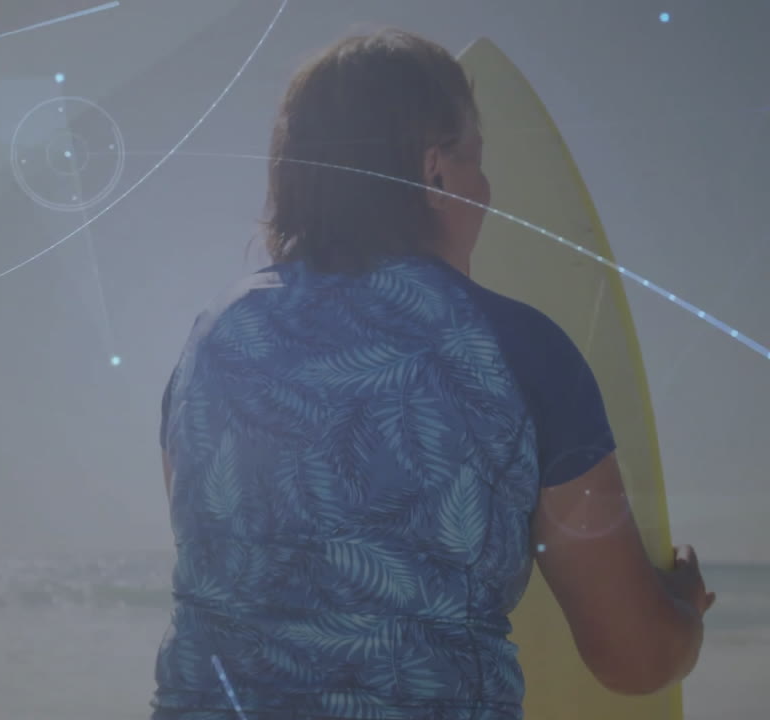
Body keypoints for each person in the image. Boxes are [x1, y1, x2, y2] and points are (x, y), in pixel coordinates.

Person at [150, 28, 715, 720]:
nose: (488, 188)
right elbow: (635, 659)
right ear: (435, 172)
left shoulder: (211, 344)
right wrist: (681, 614)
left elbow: (226, 569)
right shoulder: (517, 350)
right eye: (476, 159)